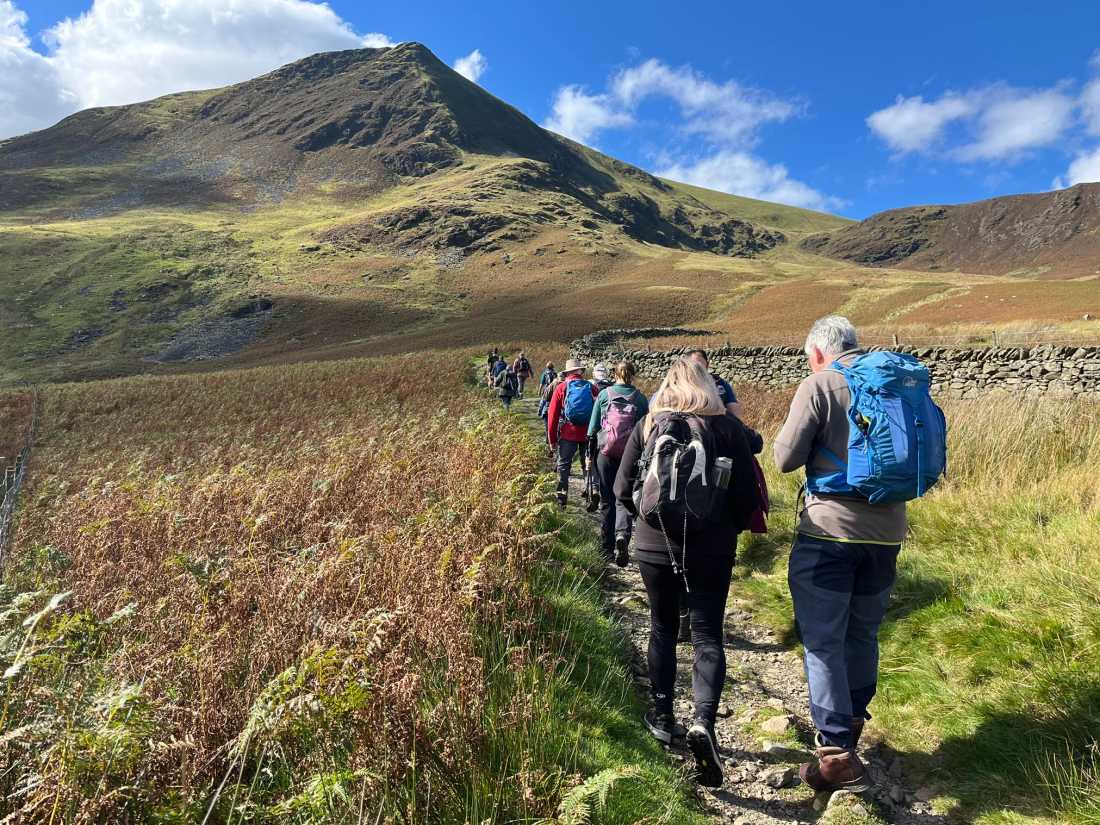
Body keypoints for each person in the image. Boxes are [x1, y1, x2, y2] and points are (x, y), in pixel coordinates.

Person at [773, 316, 907, 793]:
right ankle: (851, 728)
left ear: (816, 352)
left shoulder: (820, 384)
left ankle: (833, 755)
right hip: (888, 533)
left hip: (829, 533)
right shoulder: (890, 384)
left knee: (824, 639)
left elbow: (785, 459)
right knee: (863, 632)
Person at [614, 358, 760, 787]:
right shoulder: (727, 429)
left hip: (654, 544)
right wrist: (722, 532)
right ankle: (703, 722)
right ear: (709, 387)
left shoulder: (648, 423)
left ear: (666, 386)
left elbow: (623, 489)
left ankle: (661, 715)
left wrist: (646, 526)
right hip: (712, 548)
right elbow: (748, 498)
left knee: (661, 628)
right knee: (707, 633)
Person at [587, 360, 648, 562]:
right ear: (632, 374)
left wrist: (589, 452)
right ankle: (622, 535)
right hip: (630, 456)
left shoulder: (605, 395)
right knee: (624, 498)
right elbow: (647, 431)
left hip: (605, 453)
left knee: (607, 500)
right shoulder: (640, 399)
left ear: (615, 374)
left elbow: (593, 427)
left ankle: (606, 548)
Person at [546, 359, 598, 509]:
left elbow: (552, 416)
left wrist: (552, 439)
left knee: (564, 465)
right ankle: (592, 491)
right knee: (588, 464)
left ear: (567, 373)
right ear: (580, 372)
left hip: (568, 433)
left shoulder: (562, 388)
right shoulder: (592, 387)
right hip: (588, 433)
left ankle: (562, 498)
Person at [687, 350, 741, 418]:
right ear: (686, 367)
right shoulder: (678, 386)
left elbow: (734, 409)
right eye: (695, 366)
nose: (699, 369)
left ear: (707, 365)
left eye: (700, 365)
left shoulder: (720, 383)